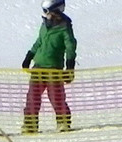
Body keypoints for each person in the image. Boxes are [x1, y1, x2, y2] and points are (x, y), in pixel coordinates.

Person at [21, 0, 77, 134]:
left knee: (56, 97)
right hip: (39, 67)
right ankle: (30, 125)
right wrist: (29, 56)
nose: (45, 14)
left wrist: (70, 67)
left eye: (47, 11)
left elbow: (70, 47)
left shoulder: (64, 28)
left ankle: (63, 122)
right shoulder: (45, 24)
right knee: (32, 97)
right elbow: (39, 41)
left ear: (56, 11)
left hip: (53, 68)